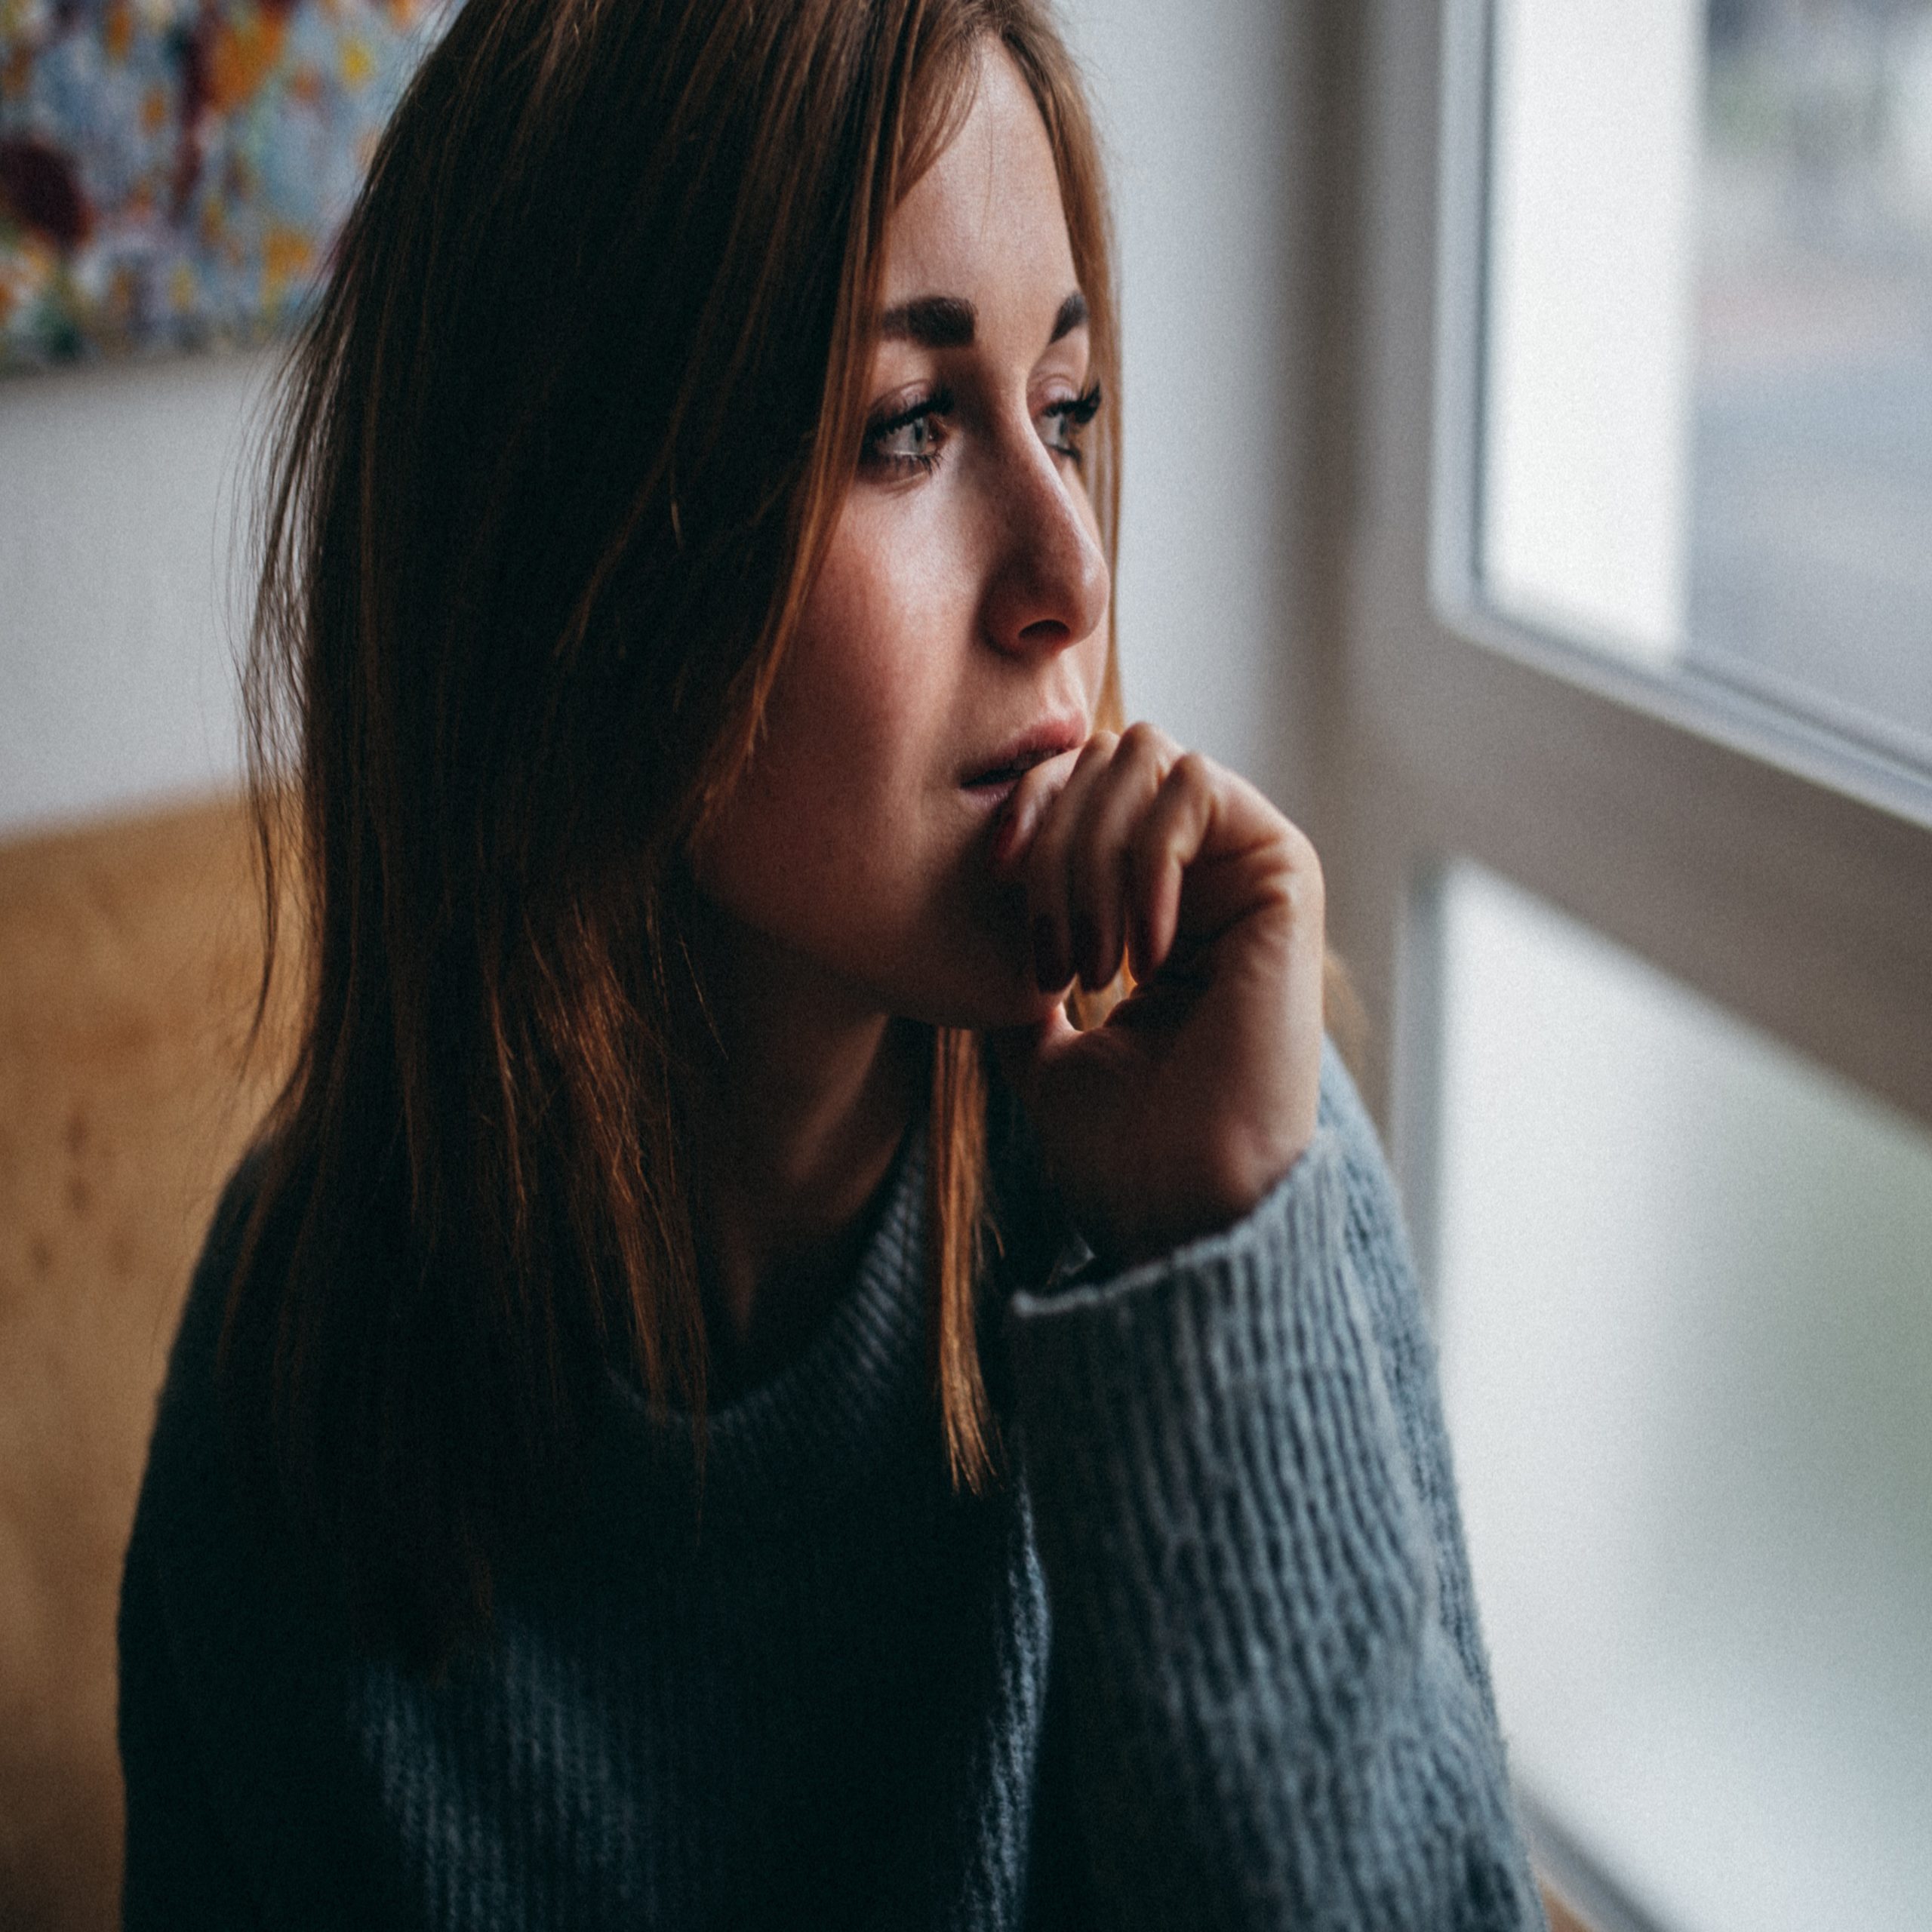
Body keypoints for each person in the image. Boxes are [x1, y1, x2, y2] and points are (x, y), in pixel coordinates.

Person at [117, 0, 1548, 1924]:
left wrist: (1215, 1283)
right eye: (906, 428)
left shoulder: (1228, 1170)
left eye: (1067, 410)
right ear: (570, 556)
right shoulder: (306, 1358)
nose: (1072, 574)